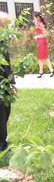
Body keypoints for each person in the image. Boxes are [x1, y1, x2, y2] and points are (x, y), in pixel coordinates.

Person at [0, 11, 18, 152]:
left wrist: (11, 81)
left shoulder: (2, 40)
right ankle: (2, 146)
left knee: (6, 110)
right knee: (1, 112)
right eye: (6, 26)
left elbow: (6, 63)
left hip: (4, 82)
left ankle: (2, 138)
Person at [33, 11, 54, 78]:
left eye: (34, 17)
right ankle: (43, 71)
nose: (33, 18)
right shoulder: (37, 24)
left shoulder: (41, 24)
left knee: (44, 56)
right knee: (41, 57)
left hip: (42, 41)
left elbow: (45, 34)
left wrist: (38, 36)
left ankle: (46, 71)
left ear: (38, 17)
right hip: (39, 41)